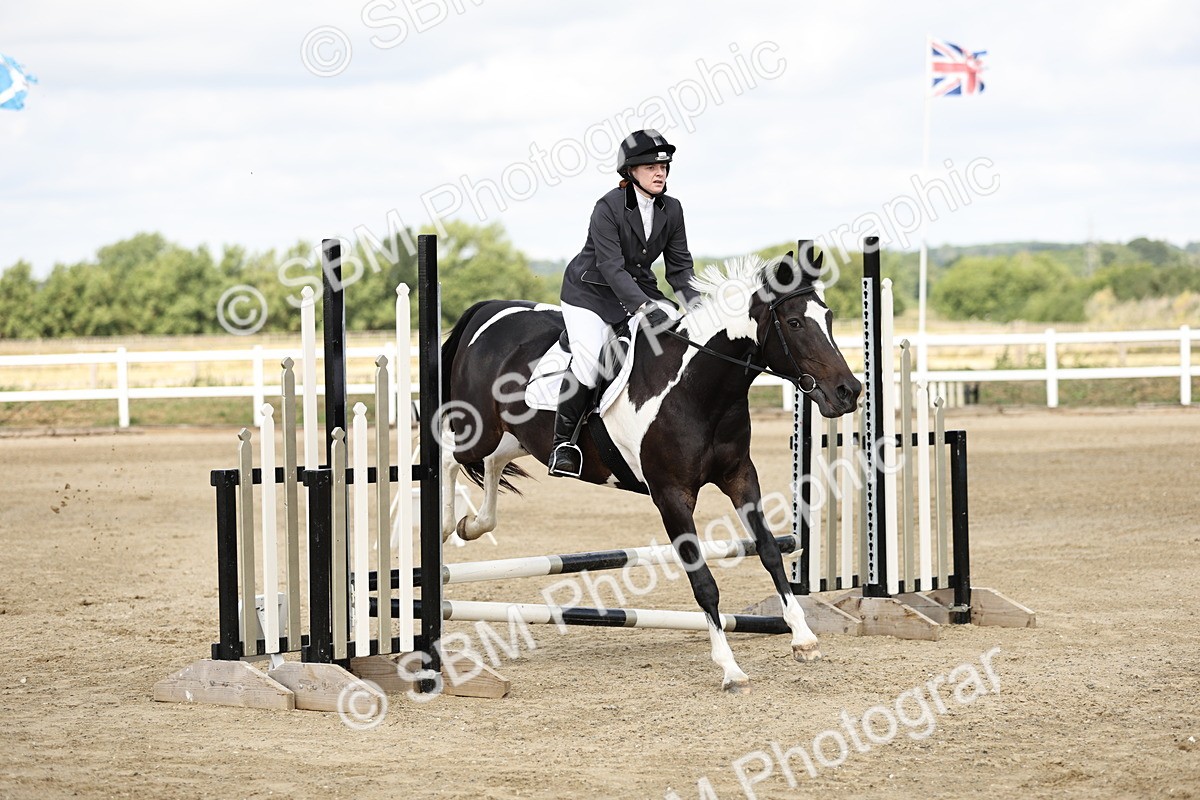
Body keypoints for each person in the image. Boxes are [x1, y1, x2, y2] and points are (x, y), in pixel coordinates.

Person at [548, 129, 700, 478]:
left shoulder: (672, 209)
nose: (660, 173)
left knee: (673, 339)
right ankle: (563, 444)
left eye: (663, 166)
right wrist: (644, 308)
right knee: (590, 361)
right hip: (591, 294)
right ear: (631, 171)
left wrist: (699, 307)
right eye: (651, 167)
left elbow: (680, 269)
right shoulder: (608, 207)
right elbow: (611, 267)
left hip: (639, 289)